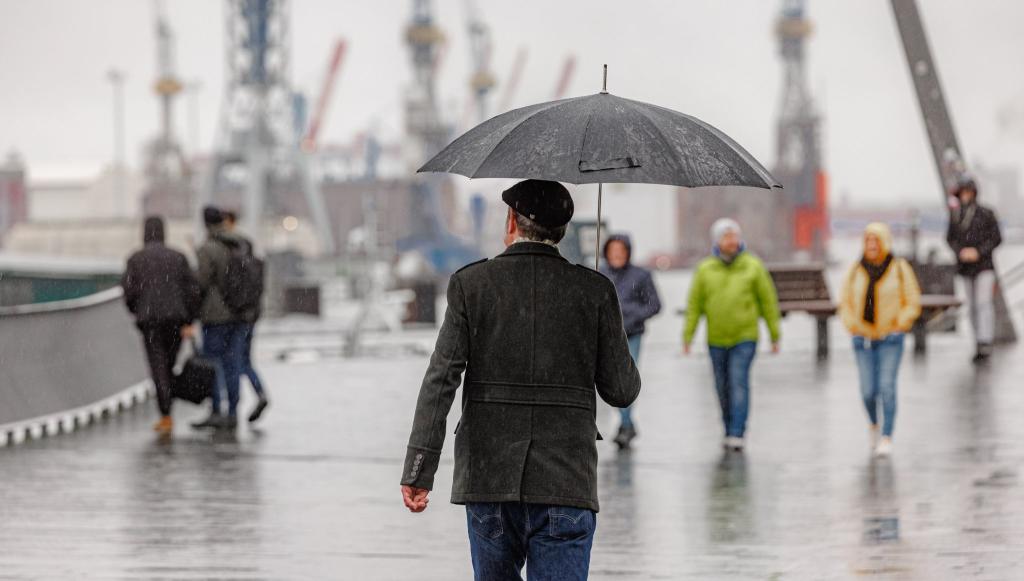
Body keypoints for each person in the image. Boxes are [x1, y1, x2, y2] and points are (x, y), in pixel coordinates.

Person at [399, 180, 640, 581]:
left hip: (489, 480)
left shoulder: (470, 285)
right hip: (565, 480)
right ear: (561, 230)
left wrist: (418, 469)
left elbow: (441, 380)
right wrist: (604, 323)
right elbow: (622, 390)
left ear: (512, 220)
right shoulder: (594, 290)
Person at [683, 218, 780, 452]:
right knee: (721, 386)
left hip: (744, 337)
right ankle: (727, 427)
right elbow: (695, 305)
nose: (731, 241)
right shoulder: (705, 269)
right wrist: (688, 336)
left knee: (738, 382)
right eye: (726, 236)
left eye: (734, 236)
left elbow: (768, 301)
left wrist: (774, 334)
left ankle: (738, 431)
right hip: (716, 338)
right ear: (716, 240)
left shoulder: (753, 266)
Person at [839, 223, 921, 457]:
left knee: (886, 386)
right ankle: (873, 424)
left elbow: (912, 300)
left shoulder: (899, 268)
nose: (872, 246)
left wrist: (901, 323)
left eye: (876, 241)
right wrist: (852, 326)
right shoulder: (856, 269)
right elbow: (844, 301)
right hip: (862, 339)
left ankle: (887, 435)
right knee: (867, 391)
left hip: (890, 338)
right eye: (868, 241)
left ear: (884, 242)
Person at [121, 216, 201, 436]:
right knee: (170, 362)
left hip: (149, 321)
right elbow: (192, 290)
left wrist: (137, 310)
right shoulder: (178, 257)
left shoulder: (136, 259)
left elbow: (129, 291)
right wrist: (189, 320)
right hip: (176, 319)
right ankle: (169, 401)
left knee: (158, 364)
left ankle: (165, 414)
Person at [599, 234, 661, 450]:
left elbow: (654, 304)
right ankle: (628, 424)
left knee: (624, 379)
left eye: (621, 251)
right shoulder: (600, 274)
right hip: (606, 336)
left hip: (631, 335)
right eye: (612, 251)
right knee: (608, 380)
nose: (616, 255)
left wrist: (632, 315)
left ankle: (625, 426)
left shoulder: (641, 275)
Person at [190, 206, 248, 430]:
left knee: (213, 364)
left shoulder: (209, 248)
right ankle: (233, 412)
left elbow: (201, 283)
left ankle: (216, 409)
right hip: (240, 313)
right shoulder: (241, 242)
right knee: (233, 363)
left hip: (215, 316)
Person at [946, 177, 1003, 363]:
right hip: (965, 268)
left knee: (983, 303)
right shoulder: (956, 215)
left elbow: (996, 238)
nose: (965, 196)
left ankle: (985, 341)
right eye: (962, 192)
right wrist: (960, 252)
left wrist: (978, 252)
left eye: (968, 192)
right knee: (972, 306)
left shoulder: (986, 213)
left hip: (984, 266)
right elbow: (950, 238)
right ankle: (978, 341)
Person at [222, 209, 269, 422]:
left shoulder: (234, 259)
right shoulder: (256, 262)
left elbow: (232, 289)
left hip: (239, 317)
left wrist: (233, 307)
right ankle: (259, 393)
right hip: (252, 316)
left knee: (235, 361)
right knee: (246, 360)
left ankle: (233, 409)